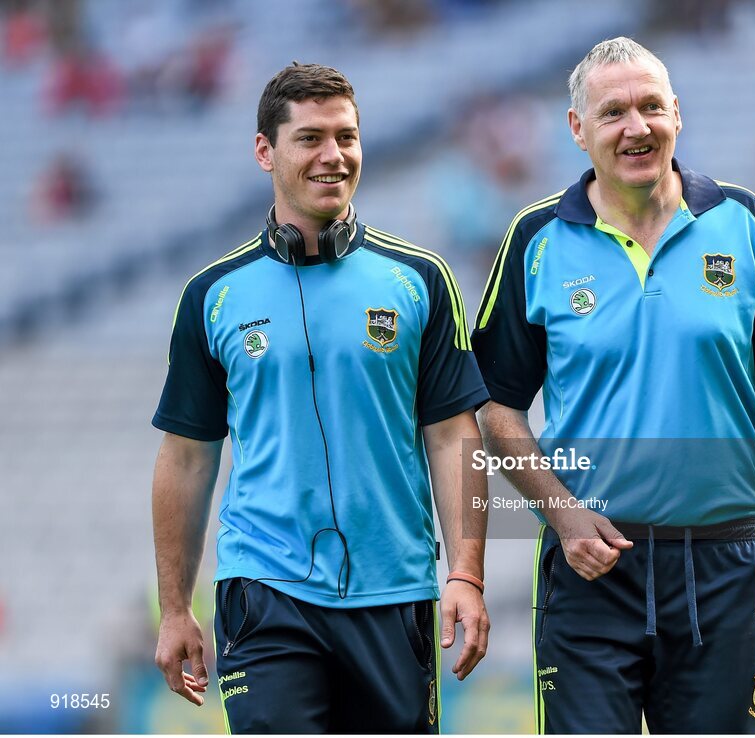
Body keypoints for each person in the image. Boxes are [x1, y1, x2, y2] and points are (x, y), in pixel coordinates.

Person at [472, 38, 755, 734]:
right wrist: (563, 515)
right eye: (613, 113)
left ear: (677, 115)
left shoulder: (741, 220)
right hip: (591, 572)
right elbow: (495, 407)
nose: (637, 127)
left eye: (651, 107)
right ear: (578, 131)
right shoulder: (536, 239)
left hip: (722, 566)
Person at [152, 62, 491, 734]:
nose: (333, 156)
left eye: (347, 137)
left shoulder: (420, 279)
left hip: (395, 593)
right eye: (310, 138)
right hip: (264, 591)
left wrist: (468, 575)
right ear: (264, 151)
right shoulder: (211, 296)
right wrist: (172, 607)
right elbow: (186, 458)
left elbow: (455, 437)